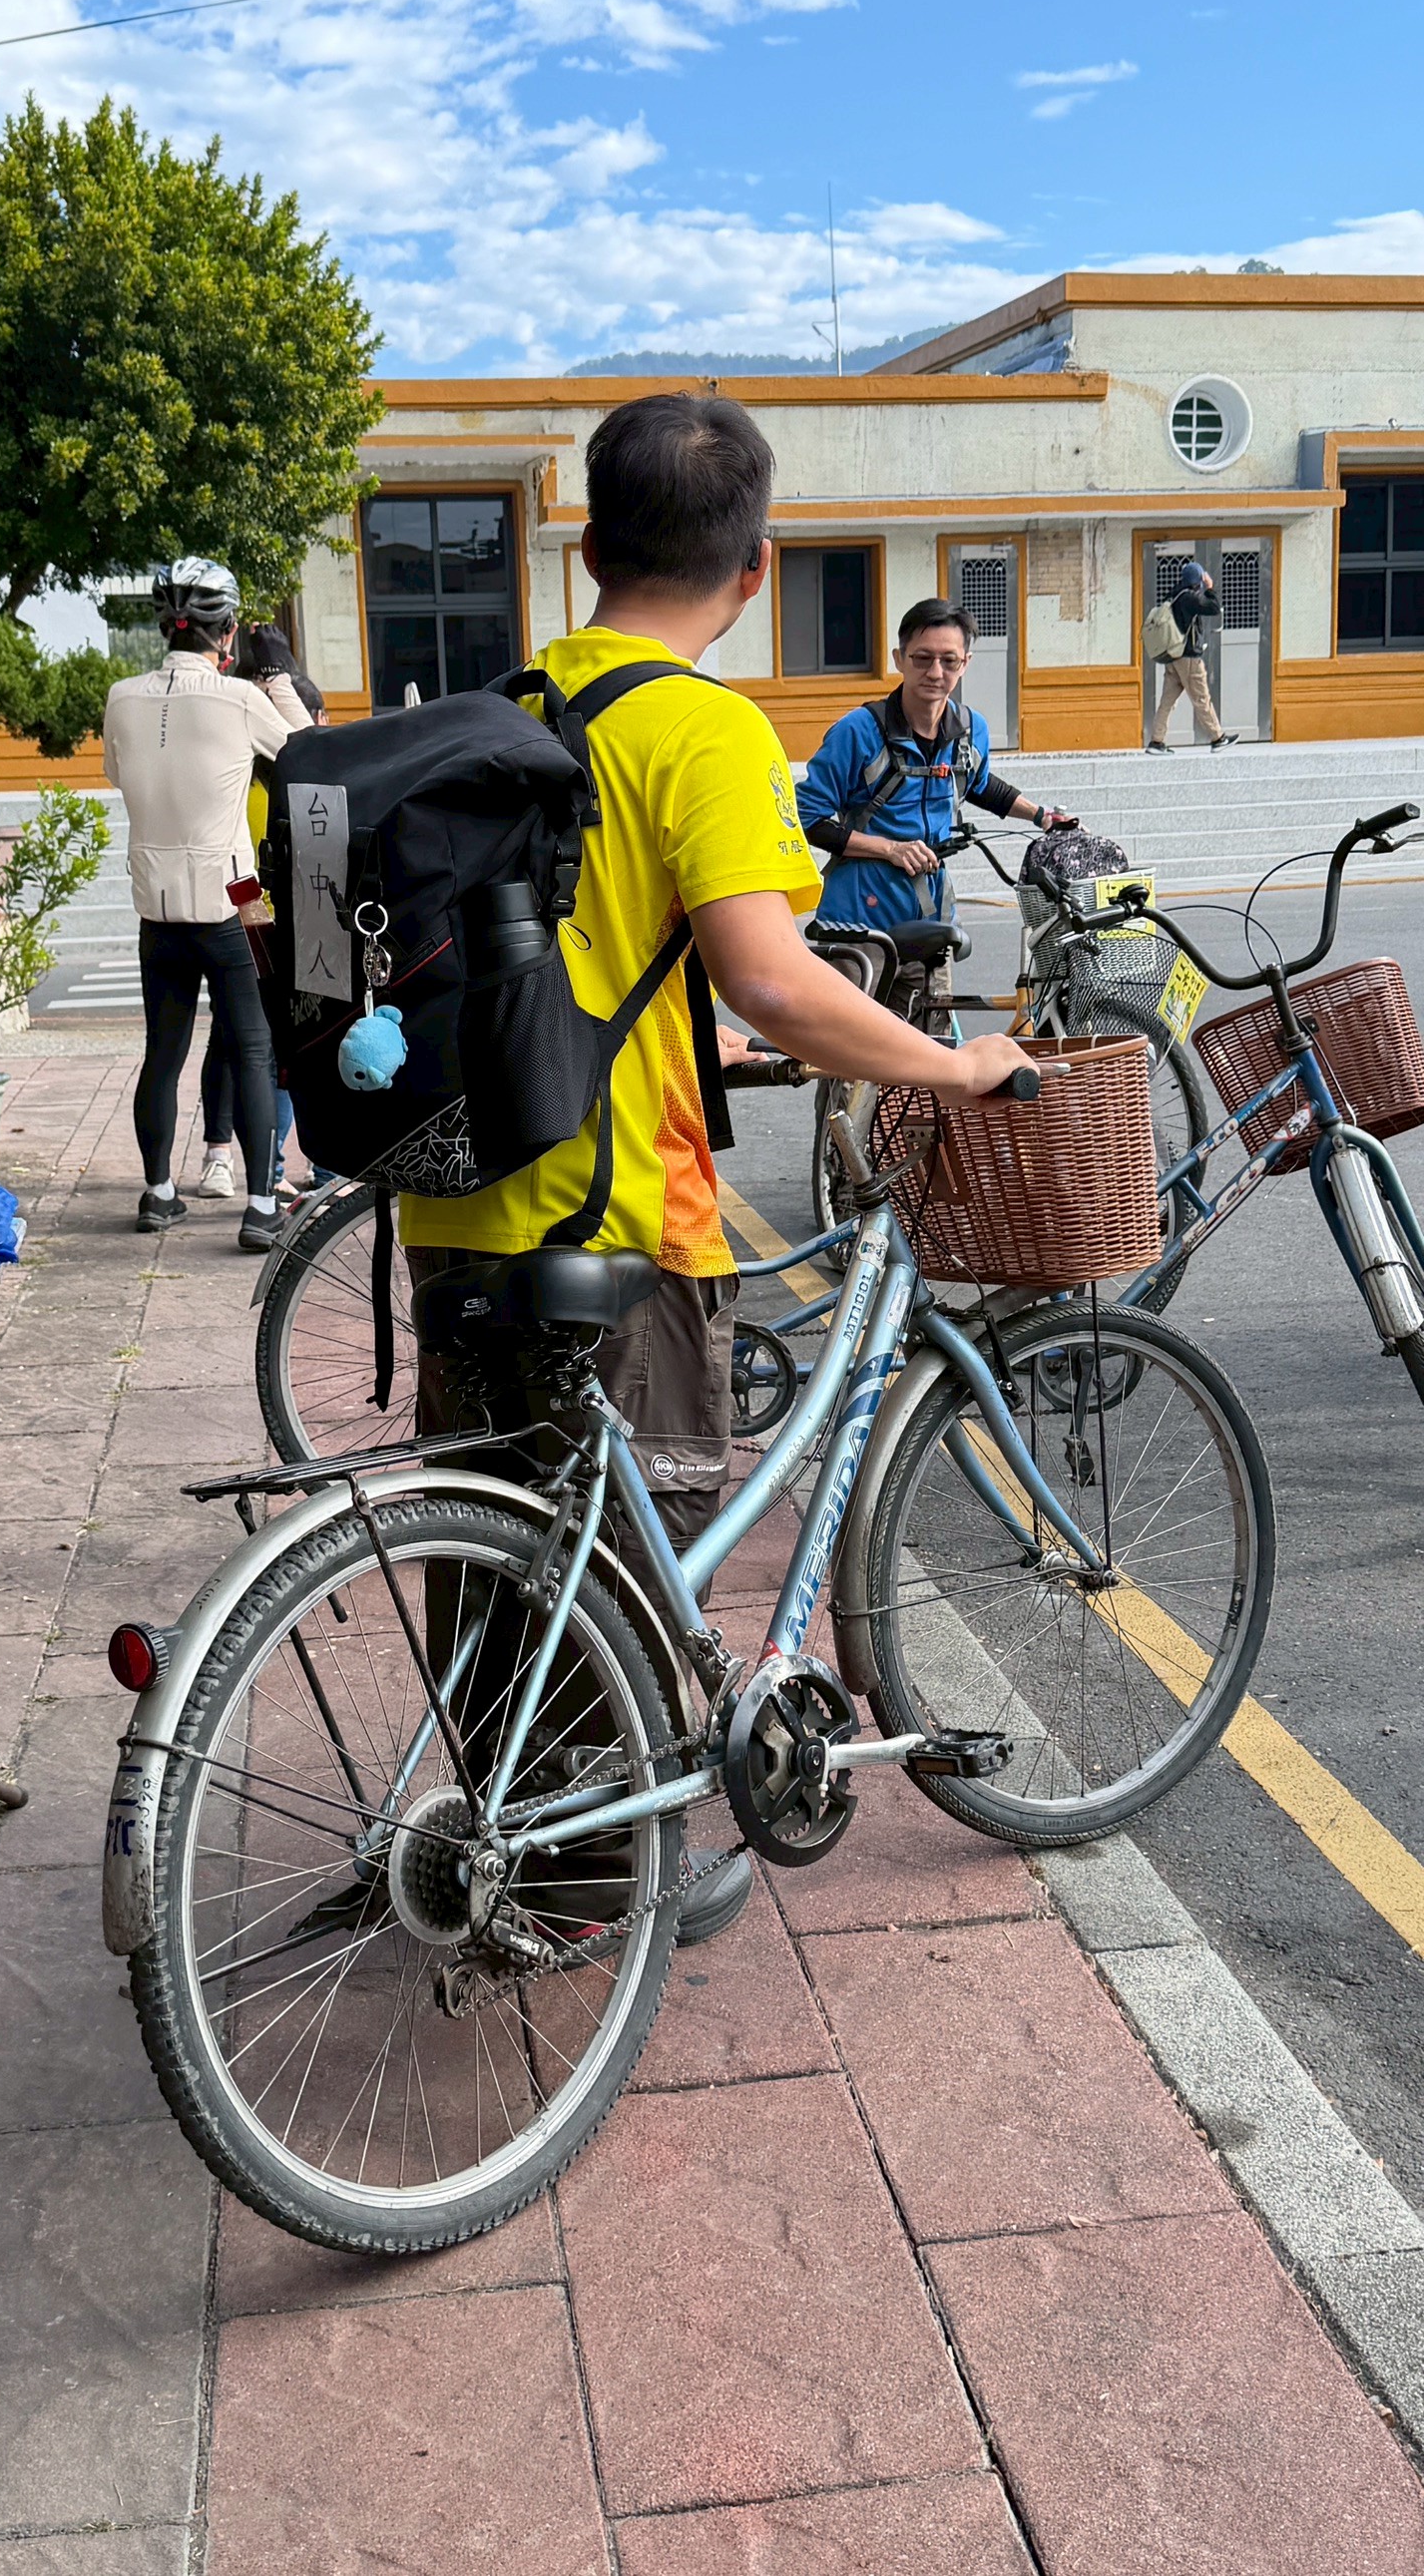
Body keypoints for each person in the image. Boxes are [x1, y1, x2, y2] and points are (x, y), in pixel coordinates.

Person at [397, 394, 1042, 1943]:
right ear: (754, 569)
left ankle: (504, 1839)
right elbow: (770, 968)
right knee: (626, 1564)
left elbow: (582, 952)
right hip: (618, 1211)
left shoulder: (510, 702)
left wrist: (714, 1043)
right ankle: (598, 1882)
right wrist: (954, 1063)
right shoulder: (704, 729)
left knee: (499, 1552)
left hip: (457, 1193)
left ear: (587, 548)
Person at [102, 560, 307, 1250]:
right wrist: (275, 679)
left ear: (167, 625)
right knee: (255, 1048)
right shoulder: (239, 697)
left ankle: (159, 1193)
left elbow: (117, 772)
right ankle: (260, 1205)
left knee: (162, 1053)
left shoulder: (120, 697)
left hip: (155, 904)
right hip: (239, 898)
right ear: (228, 631)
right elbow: (308, 752)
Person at [795, 599, 1078, 939]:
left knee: (942, 977)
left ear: (965, 663)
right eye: (922, 658)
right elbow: (805, 817)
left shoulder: (971, 730)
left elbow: (979, 784)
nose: (935, 672)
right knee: (863, 977)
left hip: (933, 913)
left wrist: (1042, 816)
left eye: (949, 661)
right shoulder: (858, 732)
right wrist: (890, 849)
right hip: (858, 919)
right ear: (899, 658)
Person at [198, 626, 327, 1205]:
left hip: (254, 918)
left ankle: (255, 1163)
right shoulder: (294, 776)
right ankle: (302, 1169)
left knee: (250, 1047)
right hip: (277, 921)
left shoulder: (243, 777)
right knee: (283, 1050)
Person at [1147, 562, 1238, 752]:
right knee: (1201, 698)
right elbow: (1214, 607)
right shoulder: (1189, 598)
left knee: (1167, 702)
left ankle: (1156, 742)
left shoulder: (1174, 594)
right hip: (1188, 658)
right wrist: (1210, 588)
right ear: (1198, 580)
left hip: (1173, 657)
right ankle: (1218, 738)